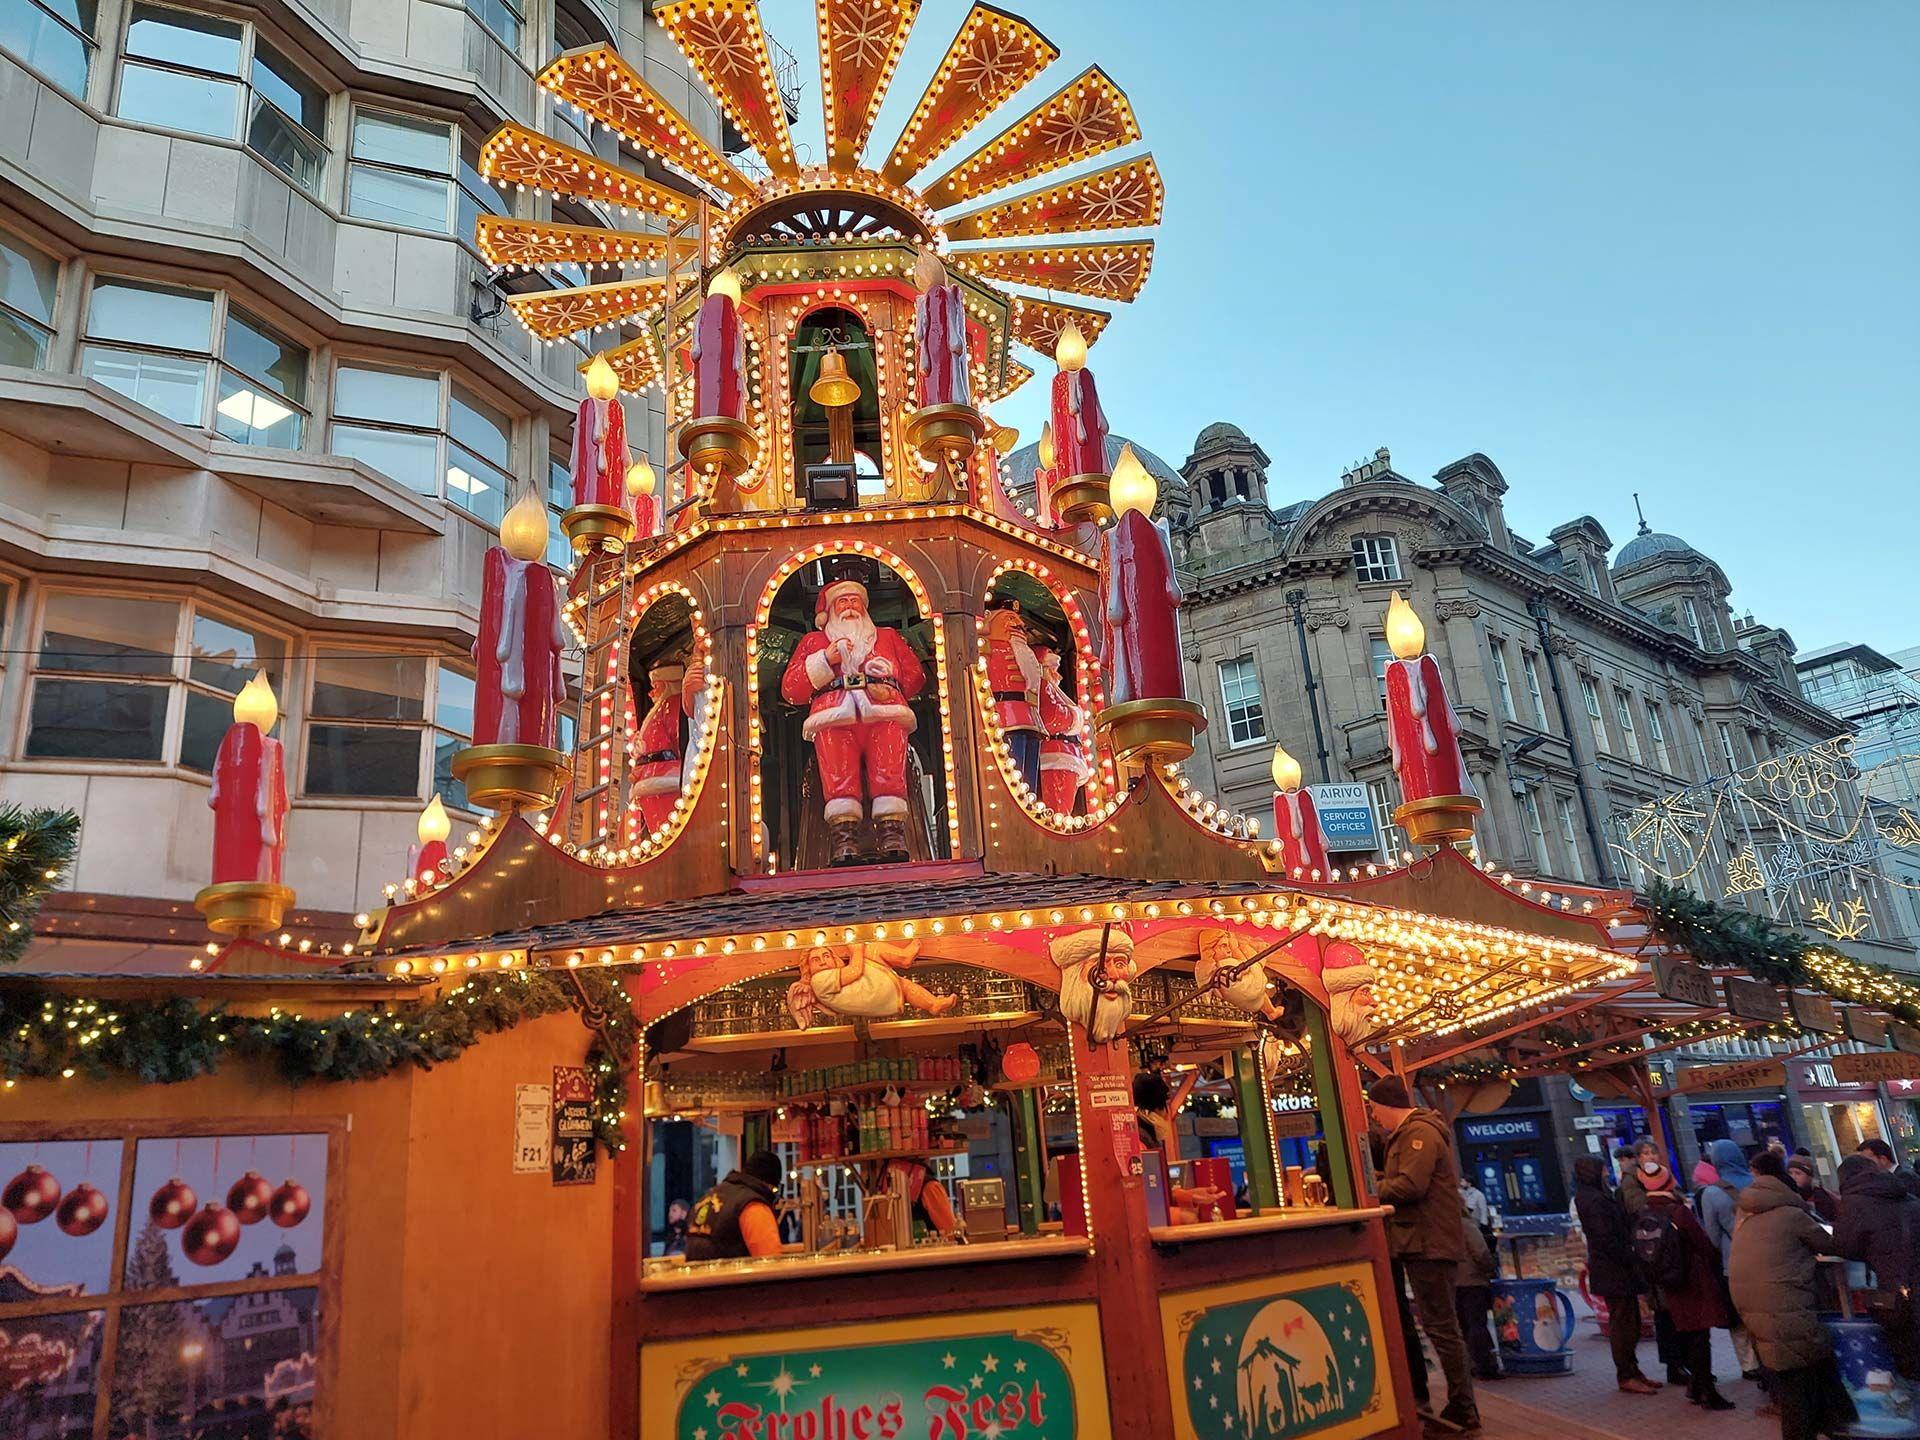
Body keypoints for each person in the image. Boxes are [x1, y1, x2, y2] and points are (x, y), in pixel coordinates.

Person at [1367, 1075, 1478, 1434]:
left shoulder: (1420, 1134)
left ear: (1385, 1105)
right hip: (1422, 1243)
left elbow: (1410, 1186)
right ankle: (1461, 1406)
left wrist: (1368, 1187)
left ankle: (1464, 1409)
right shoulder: (1412, 1133)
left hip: (1429, 1244)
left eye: (1373, 1108)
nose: (1372, 1116)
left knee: (1442, 1328)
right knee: (1440, 1326)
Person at [1731, 1150, 1856, 1440]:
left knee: (1806, 1371)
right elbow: (1832, 1243)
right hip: (1786, 1308)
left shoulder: (1747, 1217)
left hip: (1756, 1310)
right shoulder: (1791, 1215)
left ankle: (1837, 1423)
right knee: (1801, 1384)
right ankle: (1834, 1423)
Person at [1637, 1158, 1734, 1408]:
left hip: (1667, 1281)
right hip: (1692, 1279)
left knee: (1689, 1334)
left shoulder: (1646, 1213)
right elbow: (1702, 1243)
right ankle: (1707, 1392)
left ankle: (1696, 1386)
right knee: (1700, 1335)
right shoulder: (1678, 1212)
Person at [1572, 1156, 1659, 1393]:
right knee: (1623, 1323)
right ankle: (1627, 1374)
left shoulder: (1595, 1195)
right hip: (1614, 1269)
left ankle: (1633, 1370)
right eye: (1602, 1169)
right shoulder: (1594, 1200)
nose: (1606, 1173)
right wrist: (1630, 1254)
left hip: (1615, 1268)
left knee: (1630, 1321)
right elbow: (1606, 1237)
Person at [1836, 1152, 1920, 1378]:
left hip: (1896, 1289)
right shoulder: (1904, 1194)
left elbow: (1845, 1247)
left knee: (1909, 1357)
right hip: (1912, 1279)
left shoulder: (1853, 1202)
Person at [1695, 1138, 1762, 1382]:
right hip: (1764, 1257)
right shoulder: (1757, 1184)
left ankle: (1748, 1364)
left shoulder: (1712, 1192)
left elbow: (1711, 1234)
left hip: (1732, 1262)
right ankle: (1767, 1356)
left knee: (1738, 1315)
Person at [1133, 1070, 1226, 1223]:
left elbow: (1156, 1191)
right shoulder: (1141, 1142)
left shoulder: (1143, 1136)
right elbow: (1147, 1195)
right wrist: (1181, 1216)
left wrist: (1190, 1196)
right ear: (1159, 1108)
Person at [683, 1150, 786, 1261]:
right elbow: (771, 1263)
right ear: (769, 1185)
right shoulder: (753, 1206)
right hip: (730, 1276)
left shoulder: (707, 1198)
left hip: (697, 1276)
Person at [1455, 1192, 1502, 1382]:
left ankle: (1471, 1364)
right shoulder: (1466, 1226)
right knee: (1478, 1325)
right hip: (1473, 1280)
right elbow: (1481, 1253)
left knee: (1464, 1326)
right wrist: (1490, 1271)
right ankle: (1486, 1365)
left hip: (1454, 1282)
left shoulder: (1441, 1227)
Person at [1855, 1138, 1920, 1198]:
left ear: (1883, 1159)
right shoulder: (1894, 1176)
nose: (1864, 1164)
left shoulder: (1904, 1177)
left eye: (1867, 1160)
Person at [1786, 1155, 1839, 1224]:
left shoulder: (1820, 1197)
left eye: (1798, 1173)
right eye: (1790, 1173)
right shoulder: (1788, 1196)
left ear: (1809, 1176)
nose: (1793, 1177)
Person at [1620, 1138, 1664, 1217]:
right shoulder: (1631, 1176)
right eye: (1646, 1154)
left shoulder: (1663, 1172)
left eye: (1654, 1153)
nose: (1652, 1157)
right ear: (1638, 1158)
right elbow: (1637, 1205)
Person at [1459, 1174, 1496, 1254]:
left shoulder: (1478, 1195)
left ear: (1469, 1183)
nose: (1461, 1183)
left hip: (1478, 1222)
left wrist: (1483, 1224)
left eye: (1462, 1181)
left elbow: (1481, 1209)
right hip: (1470, 1221)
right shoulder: (1464, 1193)